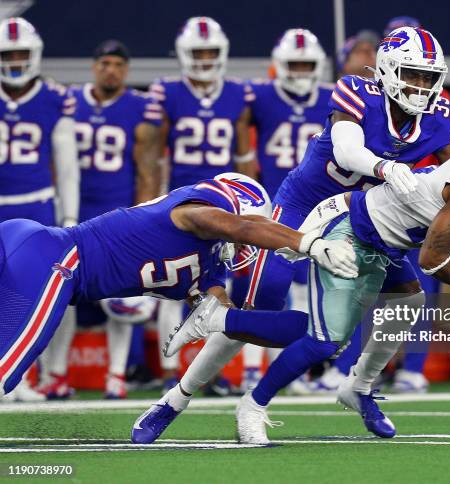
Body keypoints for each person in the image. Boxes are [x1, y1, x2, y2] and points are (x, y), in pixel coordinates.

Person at [162, 127, 450, 444]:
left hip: (390, 240)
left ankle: (357, 388)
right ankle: (251, 404)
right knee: (326, 340)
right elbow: (433, 260)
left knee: (407, 303)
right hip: (353, 226)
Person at [0, 172, 356, 402]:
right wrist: (309, 243)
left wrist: (316, 336)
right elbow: (241, 229)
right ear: (235, 208)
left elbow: (235, 328)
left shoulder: (208, 270)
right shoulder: (195, 211)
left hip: (41, 256)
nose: (249, 245)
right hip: (51, 256)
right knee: (6, 371)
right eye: (248, 221)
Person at [38, 40, 163, 400]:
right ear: (94, 66)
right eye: (105, 63)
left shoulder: (139, 107)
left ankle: (116, 376)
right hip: (72, 211)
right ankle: (56, 375)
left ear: (126, 70)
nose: (112, 70)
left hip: (115, 216)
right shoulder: (69, 102)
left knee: (120, 297)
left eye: (119, 65)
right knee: (60, 293)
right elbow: (52, 160)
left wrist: (144, 216)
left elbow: (147, 169)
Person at [148, 17, 258, 391]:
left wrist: (247, 207)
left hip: (221, 205)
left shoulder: (238, 95)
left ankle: (208, 374)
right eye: (199, 52)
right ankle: (167, 373)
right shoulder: (167, 92)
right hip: (178, 205)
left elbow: (244, 157)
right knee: (170, 285)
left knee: (219, 289)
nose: (206, 58)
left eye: (211, 51)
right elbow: (153, 156)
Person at [241, 28, 332, 391]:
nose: (299, 71)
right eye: (292, 64)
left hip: (320, 204)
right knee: (262, 285)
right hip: (277, 201)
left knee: (306, 289)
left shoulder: (334, 97)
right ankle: (251, 367)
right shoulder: (261, 96)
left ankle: (290, 369)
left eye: (306, 64)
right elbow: (236, 124)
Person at [0, 17, 79, 402]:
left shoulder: (54, 97)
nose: (14, 61)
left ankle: (29, 377)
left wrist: (69, 216)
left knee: (36, 295)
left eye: (20, 54)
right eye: (7, 54)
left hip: (37, 205)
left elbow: (67, 165)